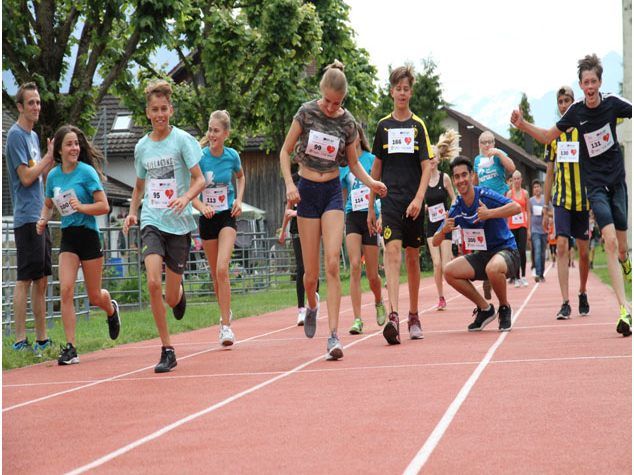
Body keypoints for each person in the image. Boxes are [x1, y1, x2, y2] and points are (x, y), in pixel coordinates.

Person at [511, 54, 631, 335]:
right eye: (585, 82)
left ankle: (626, 265)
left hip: (618, 184)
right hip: (595, 189)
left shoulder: (613, 104)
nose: (590, 87)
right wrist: (523, 124)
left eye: (594, 82)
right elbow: (546, 137)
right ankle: (624, 310)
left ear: (600, 83)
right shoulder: (575, 113)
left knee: (622, 249)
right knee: (610, 243)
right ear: (581, 84)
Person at [280, 60, 387, 360]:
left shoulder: (347, 122)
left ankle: (334, 336)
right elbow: (284, 151)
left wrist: (372, 183)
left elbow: (353, 164)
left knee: (332, 265)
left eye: (336, 103)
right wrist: (291, 184)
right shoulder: (305, 112)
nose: (330, 108)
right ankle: (312, 306)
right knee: (310, 275)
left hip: (331, 194)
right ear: (321, 93)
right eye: (327, 101)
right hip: (306, 191)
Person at [124, 80, 205, 372]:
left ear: (171, 110)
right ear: (147, 113)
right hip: (152, 220)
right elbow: (138, 187)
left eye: (164, 109)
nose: (159, 114)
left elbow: (200, 179)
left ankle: (180, 293)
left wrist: (185, 197)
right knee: (152, 282)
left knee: (171, 296)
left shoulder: (183, 140)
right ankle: (167, 349)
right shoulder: (141, 147)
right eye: (154, 110)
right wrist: (133, 212)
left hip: (179, 225)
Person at [37, 125, 120, 364]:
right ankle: (71, 348)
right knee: (66, 289)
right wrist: (43, 219)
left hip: (89, 236)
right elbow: (48, 203)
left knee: (94, 296)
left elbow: (104, 206)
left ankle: (111, 310)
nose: (74, 148)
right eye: (69, 145)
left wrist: (81, 207)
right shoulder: (53, 176)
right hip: (69, 236)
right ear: (60, 150)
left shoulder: (87, 172)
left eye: (76, 144)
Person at [367, 65, 433, 344]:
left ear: (411, 91)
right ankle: (393, 314)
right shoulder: (383, 127)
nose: (402, 93)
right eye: (398, 88)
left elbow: (427, 166)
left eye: (407, 88)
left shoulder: (418, 126)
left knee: (412, 257)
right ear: (391, 91)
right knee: (391, 253)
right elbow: (376, 170)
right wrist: (371, 206)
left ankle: (414, 315)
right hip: (390, 201)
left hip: (413, 202)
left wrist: (419, 198)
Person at [433, 156, 520, 332]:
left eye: (464, 175)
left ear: (472, 176)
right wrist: (443, 231)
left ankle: (504, 307)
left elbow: (516, 208)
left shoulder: (485, 195)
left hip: (507, 251)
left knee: (493, 268)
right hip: (482, 256)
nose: (460, 180)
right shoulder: (456, 207)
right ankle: (485, 309)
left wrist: (490, 213)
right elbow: (435, 241)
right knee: (448, 271)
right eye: (456, 177)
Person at [5, 82, 55, 354]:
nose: (36, 107)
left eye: (38, 102)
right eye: (31, 103)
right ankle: (20, 340)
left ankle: (42, 338)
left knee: (43, 278)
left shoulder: (33, 137)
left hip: (40, 215)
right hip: (26, 218)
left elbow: (39, 174)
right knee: (25, 277)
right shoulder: (15, 136)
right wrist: (47, 159)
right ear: (20, 107)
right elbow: (25, 178)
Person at [192, 110, 245, 347]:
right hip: (207, 218)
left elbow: (241, 177)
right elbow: (190, 191)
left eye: (216, 130)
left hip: (227, 216)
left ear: (226, 133)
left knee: (223, 268)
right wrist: (201, 206)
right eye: (209, 130)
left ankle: (225, 327)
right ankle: (226, 310)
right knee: (215, 274)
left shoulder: (232, 156)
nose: (211, 134)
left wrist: (239, 199)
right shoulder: (200, 158)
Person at [340, 123, 386, 334]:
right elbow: (342, 195)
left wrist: (381, 215)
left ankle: (378, 300)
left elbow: (381, 188)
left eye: (353, 135)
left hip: (371, 217)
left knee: (373, 274)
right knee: (355, 267)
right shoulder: (344, 165)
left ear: (358, 137)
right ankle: (357, 319)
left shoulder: (371, 159)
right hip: (352, 216)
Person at [473, 130, 516, 299]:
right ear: (479, 144)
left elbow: (512, 168)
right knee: (485, 239)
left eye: (490, 141)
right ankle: (487, 276)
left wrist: (498, 152)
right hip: (483, 202)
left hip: (499, 201)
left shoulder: (499, 155)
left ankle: (501, 268)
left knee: (499, 236)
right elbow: (476, 179)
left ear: (494, 143)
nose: (487, 145)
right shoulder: (477, 160)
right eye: (484, 142)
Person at [279, 169, 319, 326]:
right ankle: (302, 308)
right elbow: (288, 208)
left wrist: (295, 214)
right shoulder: (293, 181)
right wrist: (282, 231)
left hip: (312, 226)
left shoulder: (315, 179)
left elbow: (314, 207)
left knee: (312, 268)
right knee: (300, 268)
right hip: (296, 229)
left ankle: (314, 299)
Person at [424, 129, 458, 310]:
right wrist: (424, 207)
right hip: (431, 225)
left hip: (445, 224)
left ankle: (460, 282)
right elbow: (420, 199)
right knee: (436, 264)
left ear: (438, 159)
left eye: (434, 157)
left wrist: (449, 213)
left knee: (445, 265)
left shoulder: (444, 178)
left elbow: (454, 198)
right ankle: (441, 297)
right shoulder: (423, 179)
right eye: (429, 157)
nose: (432, 160)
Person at [505, 170, 530, 287]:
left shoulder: (525, 193)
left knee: (522, 250)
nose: (516, 181)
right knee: (514, 251)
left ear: (521, 180)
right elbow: (506, 210)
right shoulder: (509, 194)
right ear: (512, 180)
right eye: (514, 179)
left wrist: (528, 228)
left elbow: (528, 211)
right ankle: (516, 276)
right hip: (512, 225)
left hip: (522, 225)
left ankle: (524, 276)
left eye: (518, 178)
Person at [529, 179, 547, 282]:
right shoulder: (531, 201)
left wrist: (544, 212)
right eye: (535, 187)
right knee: (537, 251)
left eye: (538, 187)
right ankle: (538, 273)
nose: (537, 189)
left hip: (544, 230)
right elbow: (529, 214)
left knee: (543, 253)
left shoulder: (545, 199)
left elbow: (552, 213)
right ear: (533, 189)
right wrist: (529, 230)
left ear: (541, 188)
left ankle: (542, 273)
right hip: (535, 230)